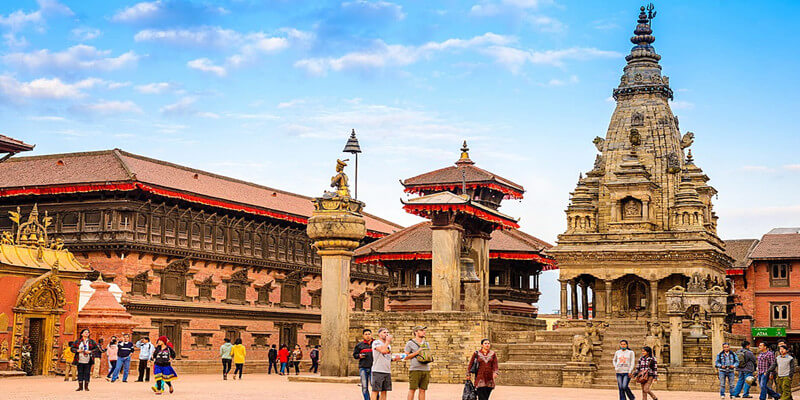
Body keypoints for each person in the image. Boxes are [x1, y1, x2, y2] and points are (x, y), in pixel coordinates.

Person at [371, 327, 403, 400]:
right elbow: (382, 350)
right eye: (384, 332)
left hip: (387, 371)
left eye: (387, 332)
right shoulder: (376, 342)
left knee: (384, 391)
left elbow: (387, 356)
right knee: (375, 391)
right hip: (378, 370)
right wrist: (387, 342)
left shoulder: (388, 345)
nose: (386, 334)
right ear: (379, 334)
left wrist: (394, 358)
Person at [404, 326, 432, 400]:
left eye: (424, 330)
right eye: (421, 330)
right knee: (412, 389)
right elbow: (405, 357)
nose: (424, 332)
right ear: (416, 332)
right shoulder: (410, 343)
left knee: (423, 390)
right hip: (415, 369)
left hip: (426, 369)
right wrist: (417, 352)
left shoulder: (426, 343)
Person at [354, 329, 375, 400]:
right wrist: (359, 356)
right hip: (363, 367)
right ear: (363, 336)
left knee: (374, 386)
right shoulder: (359, 345)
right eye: (366, 334)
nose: (367, 336)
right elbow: (355, 355)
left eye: (369, 334)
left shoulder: (375, 344)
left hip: (373, 367)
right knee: (364, 386)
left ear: (371, 335)